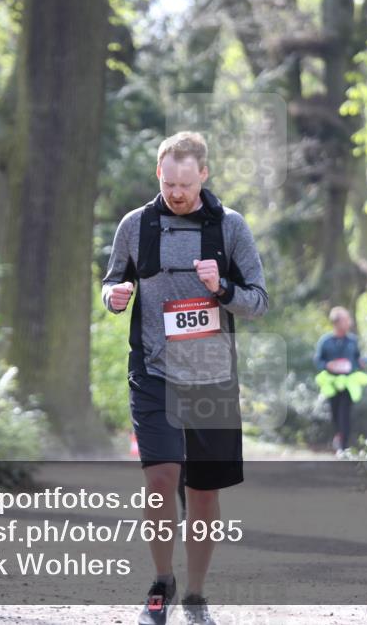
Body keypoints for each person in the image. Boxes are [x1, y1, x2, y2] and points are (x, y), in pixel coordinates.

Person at [101, 131, 269, 625]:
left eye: (185, 184)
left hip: (212, 378)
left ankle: (195, 592)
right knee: (160, 478)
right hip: (153, 372)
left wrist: (222, 289)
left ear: (204, 176)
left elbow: (258, 300)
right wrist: (112, 297)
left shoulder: (230, 228)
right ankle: (160, 580)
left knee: (201, 490)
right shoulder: (135, 225)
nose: (176, 193)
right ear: (159, 174)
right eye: (169, 182)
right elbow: (112, 279)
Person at [314, 306, 367, 456]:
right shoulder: (325, 341)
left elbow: (358, 359)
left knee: (345, 413)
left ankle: (343, 446)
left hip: (348, 383)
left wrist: (362, 362)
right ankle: (338, 437)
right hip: (332, 384)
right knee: (335, 413)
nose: (349, 322)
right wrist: (327, 365)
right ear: (337, 323)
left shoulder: (353, 341)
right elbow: (318, 360)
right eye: (346, 320)